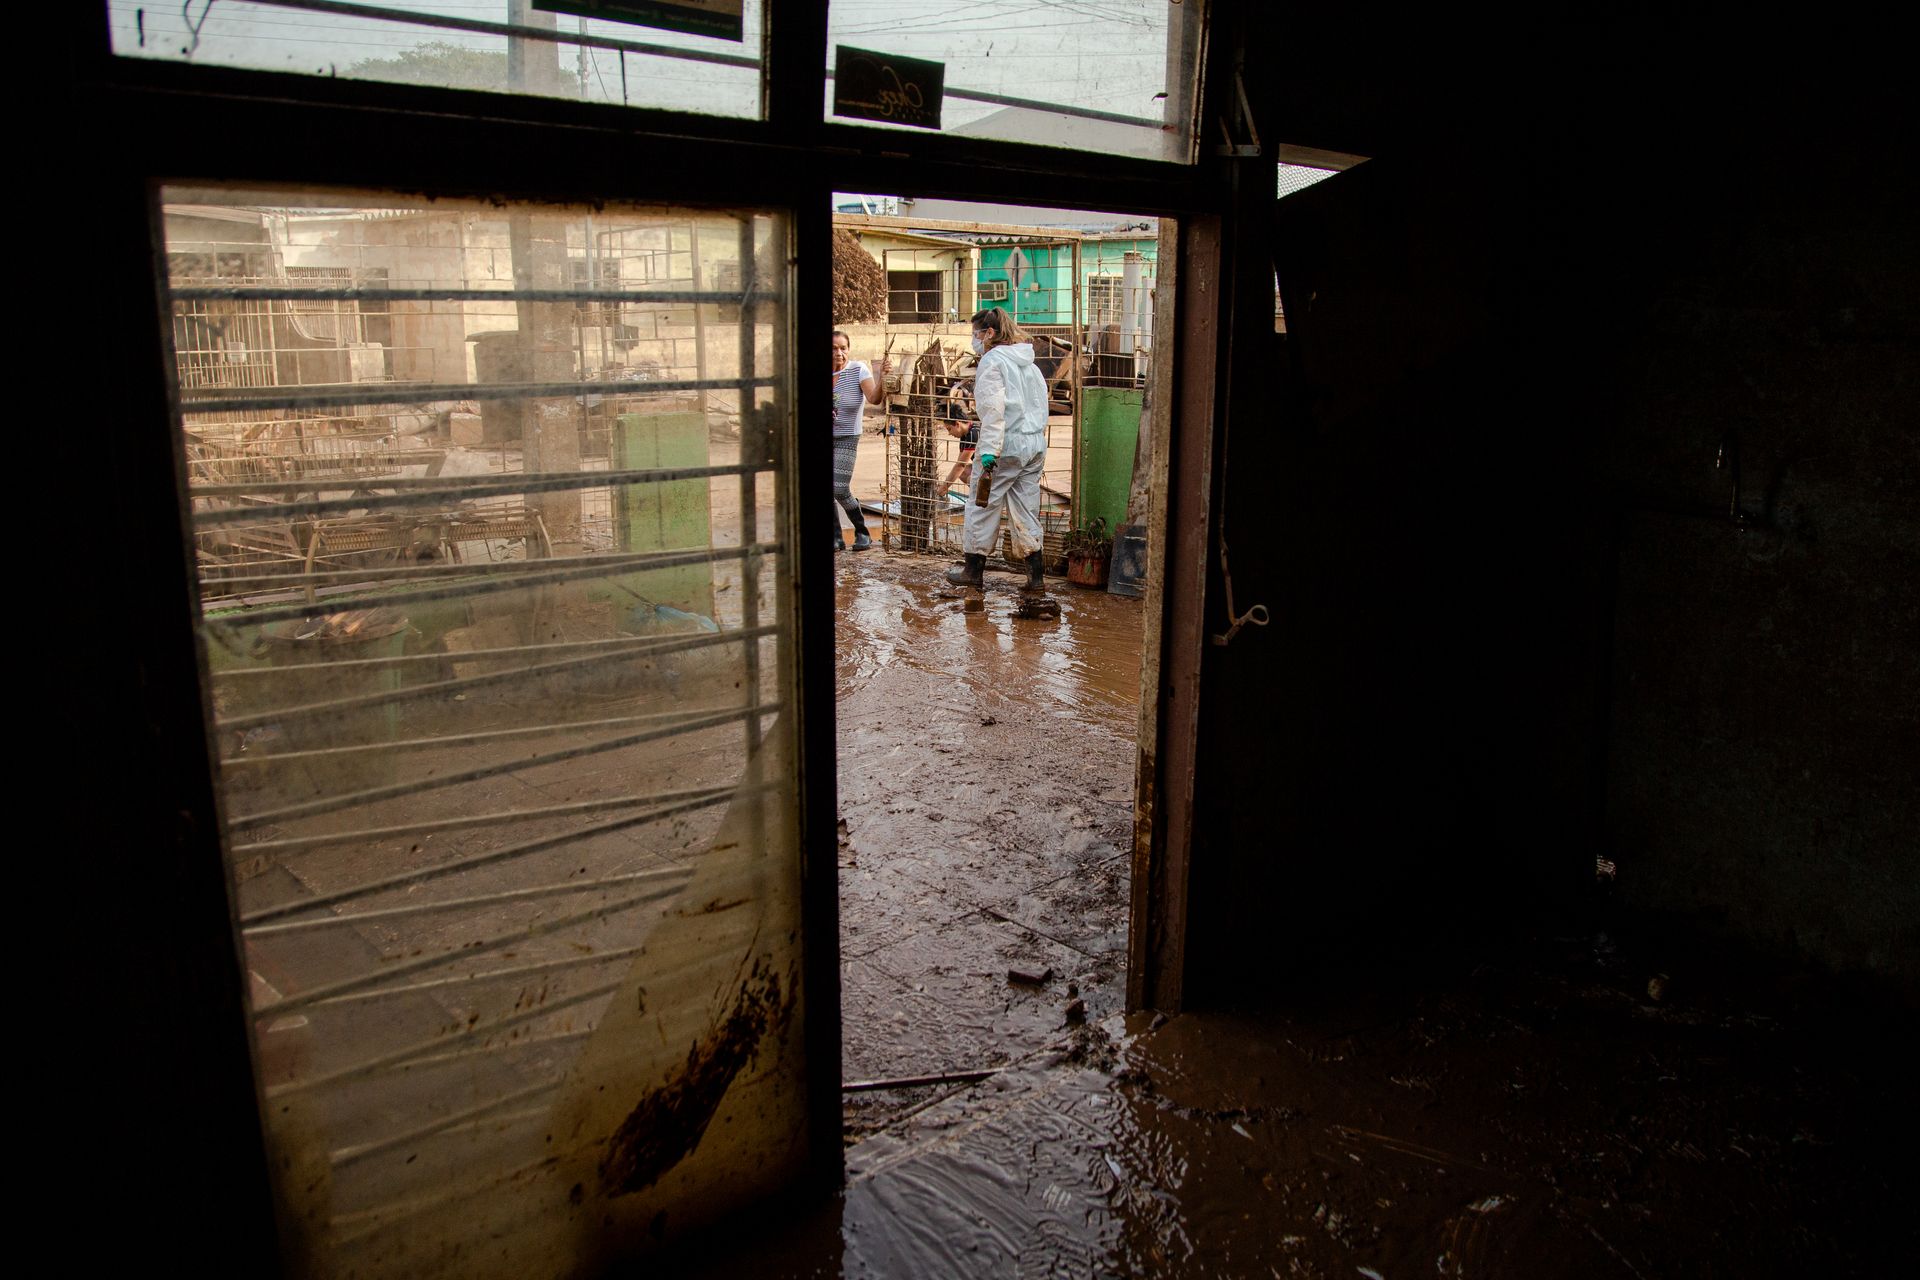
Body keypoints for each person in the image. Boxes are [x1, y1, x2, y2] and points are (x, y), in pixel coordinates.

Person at [946, 307, 1050, 593]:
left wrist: (990, 450)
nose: (974, 340)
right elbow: (1041, 406)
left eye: (976, 333)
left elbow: (993, 410)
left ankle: (972, 571)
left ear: (989, 333)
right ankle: (1036, 579)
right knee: (1026, 508)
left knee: (982, 505)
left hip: (1004, 445)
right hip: (1033, 444)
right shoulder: (1029, 363)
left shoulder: (992, 361)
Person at [830, 330, 889, 551]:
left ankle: (862, 532)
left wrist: (883, 378)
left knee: (839, 488)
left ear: (849, 349)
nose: (839, 353)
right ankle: (836, 538)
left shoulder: (858, 370)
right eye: (834, 348)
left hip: (847, 437)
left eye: (843, 348)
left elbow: (874, 398)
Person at [937, 378, 978, 500]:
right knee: (964, 473)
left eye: (949, 429)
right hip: (986, 466)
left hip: (996, 467)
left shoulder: (973, 434)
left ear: (957, 424)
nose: (950, 433)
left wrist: (944, 488)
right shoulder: (966, 434)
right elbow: (960, 464)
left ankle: (983, 498)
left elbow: (960, 465)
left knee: (970, 477)